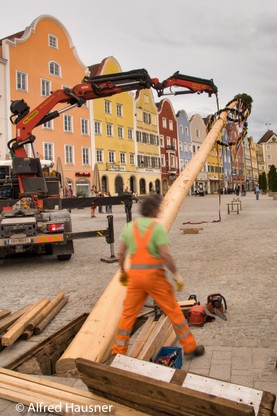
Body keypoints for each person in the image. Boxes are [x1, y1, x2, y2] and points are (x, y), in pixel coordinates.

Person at [111, 193, 205, 358]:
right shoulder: (157, 228)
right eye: (159, 208)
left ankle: (118, 352)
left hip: (135, 278)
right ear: (154, 210)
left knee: (128, 314)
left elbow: (121, 254)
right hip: (154, 278)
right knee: (173, 311)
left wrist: (124, 272)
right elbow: (165, 255)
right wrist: (176, 275)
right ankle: (190, 347)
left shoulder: (129, 227)